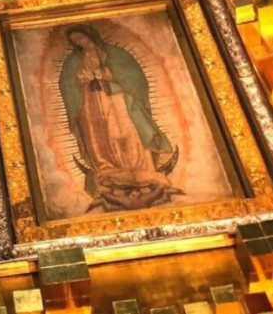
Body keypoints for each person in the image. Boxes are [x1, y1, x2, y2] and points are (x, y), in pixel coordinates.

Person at [58, 24, 182, 212]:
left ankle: (142, 169)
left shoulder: (116, 54)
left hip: (118, 99)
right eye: (76, 41)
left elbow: (134, 78)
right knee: (100, 137)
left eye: (82, 38)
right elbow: (67, 85)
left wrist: (105, 74)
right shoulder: (73, 61)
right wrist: (80, 80)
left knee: (127, 131)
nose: (81, 43)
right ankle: (110, 170)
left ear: (90, 35)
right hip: (90, 103)